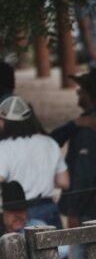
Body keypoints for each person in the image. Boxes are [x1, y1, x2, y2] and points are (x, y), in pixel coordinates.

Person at [52, 68, 96, 225]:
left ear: (91, 95)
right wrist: (75, 124)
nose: (78, 93)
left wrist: (74, 212)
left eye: (82, 89)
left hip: (90, 211)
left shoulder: (91, 128)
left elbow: (84, 174)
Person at [0, 96, 68, 228]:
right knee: (57, 248)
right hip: (48, 209)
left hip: (18, 214)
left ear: (4, 120)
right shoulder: (49, 143)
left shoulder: (3, 147)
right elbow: (64, 182)